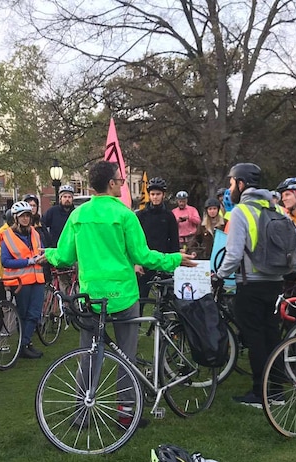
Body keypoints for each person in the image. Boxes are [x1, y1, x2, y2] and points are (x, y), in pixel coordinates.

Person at [40, 161, 196, 425]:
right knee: (127, 354)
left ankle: (82, 411)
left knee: (89, 353)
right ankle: (125, 413)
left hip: (91, 296)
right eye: (121, 181)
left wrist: (48, 254)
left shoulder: (78, 215)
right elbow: (143, 256)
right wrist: (175, 259)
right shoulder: (125, 215)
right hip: (123, 295)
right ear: (111, 184)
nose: (122, 184)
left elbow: (65, 256)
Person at [216, 163, 296, 407]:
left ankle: (260, 393)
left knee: (255, 340)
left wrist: (220, 275)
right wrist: (293, 269)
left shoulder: (241, 212)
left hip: (250, 285)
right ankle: (276, 391)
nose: (230, 187)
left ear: (242, 184)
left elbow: (233, 254)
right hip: (276, 284)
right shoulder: (276, 208)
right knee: (271, 337)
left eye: (232, 182)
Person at [1, 201, 46, 359]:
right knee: (24, 314)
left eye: (28, 215)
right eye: (22, 216)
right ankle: (24, 345)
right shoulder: (7, 236)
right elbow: (5, 261)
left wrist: (43, 257)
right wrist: (28, 261)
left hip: (37, 279)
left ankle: (25, 344)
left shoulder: (34, 233)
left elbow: (39, 250)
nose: (26, 219)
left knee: (34, 313)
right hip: (20, 282)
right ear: (15, 218)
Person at [135, 177, 180, 298]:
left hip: (164, 260)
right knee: (141, 296)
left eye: (158, 194)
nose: (155, 197)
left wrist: (174, 261)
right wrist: (136, 263)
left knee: (167, 296)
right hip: (145, 261)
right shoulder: (141, 215)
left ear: (163, 195)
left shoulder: (169, 216)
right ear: (149, 195)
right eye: (153, 194)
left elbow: (174, 241)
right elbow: (135, 242)